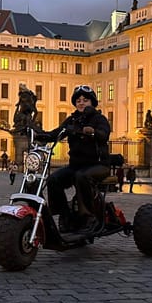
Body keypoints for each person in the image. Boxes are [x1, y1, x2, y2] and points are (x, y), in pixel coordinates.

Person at [39, 85, 112, 234]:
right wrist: (36, 132)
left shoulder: (99, 119)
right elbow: (55, 134)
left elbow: (104, 134)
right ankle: (65, 216)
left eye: (85, 100)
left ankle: (89, 217)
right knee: (53, 180)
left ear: (92, 102)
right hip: (76, 165)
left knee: (81, 176)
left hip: (98, 165)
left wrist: (93, 131)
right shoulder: (72, 120)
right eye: (78, 100)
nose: (81, 103)